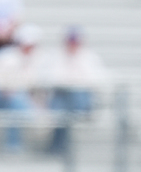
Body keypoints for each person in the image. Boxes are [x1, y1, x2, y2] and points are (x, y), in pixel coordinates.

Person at [46, 26, 110, 154]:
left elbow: (95, 80)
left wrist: (72, 81)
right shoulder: (56, 56)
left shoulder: (90, 57)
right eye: (70, 41)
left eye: (75, 42)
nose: (73, 45)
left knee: (69, 105)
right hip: (61, 95)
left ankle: (58, 146)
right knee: (61, 110)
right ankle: (59, 146)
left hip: (81, 98)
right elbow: (51, 78)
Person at [0, 23, 43, 152]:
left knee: (15, 106)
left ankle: (13, 146)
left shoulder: (36, 59)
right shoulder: (6, 57)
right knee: (16, 103)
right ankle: (32, 119)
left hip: (16, 98)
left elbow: (31, 85)